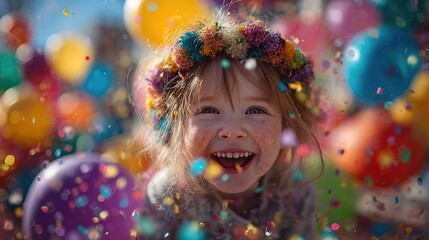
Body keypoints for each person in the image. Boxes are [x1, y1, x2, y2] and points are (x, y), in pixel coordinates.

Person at [132, 16, 324, 239]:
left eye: (255, 111)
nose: (232, 130)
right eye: (209, 110)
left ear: (286, 126)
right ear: (178, 126)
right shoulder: (168, 195)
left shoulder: (294, 194)